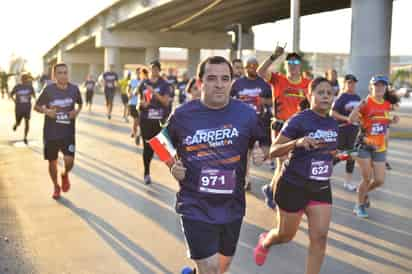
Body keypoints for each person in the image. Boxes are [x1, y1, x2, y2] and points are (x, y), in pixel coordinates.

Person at [167, 56, 269, 274]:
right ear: (199, 82)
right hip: (195, 204)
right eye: (212, 78)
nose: (219, 84)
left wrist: (261, 153)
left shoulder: (247, 115)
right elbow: (161, 143)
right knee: (211, 269)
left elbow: (263, 142)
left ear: (232, 81)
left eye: (225, 78)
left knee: (222, 267)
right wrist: (172, 165)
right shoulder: (183, 115)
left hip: (232, 205)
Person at [253, 77, 338, 274]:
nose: (326, 96)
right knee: (285, 236)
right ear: (310, 95)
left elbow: (327, 154)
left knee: (320, 238)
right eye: (321, 92)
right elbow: (273, 151)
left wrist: (337, 156)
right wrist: (297, 142)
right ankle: (265, 242)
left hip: (320, 187)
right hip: (293, 185)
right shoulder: (299, 119)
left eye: (329, 93)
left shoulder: (333, 123)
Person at [257, 46, 311, 209]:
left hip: (299, 129)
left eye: (296, 61)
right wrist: (274, 56)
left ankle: (270, 188)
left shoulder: (308, 84)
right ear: (286, 65)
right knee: (281, 163)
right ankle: (274, 195)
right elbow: (260, 72)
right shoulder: (278, 79)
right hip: (280, 127)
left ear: (300, 65)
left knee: (293, 164)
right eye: (289, 62)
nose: (293, 64)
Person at [349, 75, 400, 218]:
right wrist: (358, 106)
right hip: (364, 145)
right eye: (376, 85)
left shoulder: (387, 104)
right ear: (371, 87)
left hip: (380, 147)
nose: (379, 88)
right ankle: (358, 206)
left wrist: (394, 120)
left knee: (379, 180)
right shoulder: (366, 103)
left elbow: (384, 121)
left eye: (382, 86)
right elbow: (351, 119)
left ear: (385, 88)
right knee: (366, 178)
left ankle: (363, 194)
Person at [34, 63, 83, 199]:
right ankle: (56, 185)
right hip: (51, 133)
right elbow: (36, 106)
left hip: (68, 132)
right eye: (60, 73)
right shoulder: (48, 90)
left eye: (65, 72)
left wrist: (76, 111)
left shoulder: (74, 89)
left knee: (69, 161)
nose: (63, 75)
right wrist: (46, 111)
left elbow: (80, 103)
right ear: (54, 76)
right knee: (52, 161)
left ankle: (65, 174)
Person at [230, 56, 272, 191]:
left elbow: (272, 101)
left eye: (255, 65)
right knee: (245, 153)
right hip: (242, 123)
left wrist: (262, 101)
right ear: (245, 68)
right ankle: (245, 180)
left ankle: (250, 174)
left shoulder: (264, 83)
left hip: (261, 122)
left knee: (263, 155)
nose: (252, 68)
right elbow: (228, 100)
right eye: (250, 66)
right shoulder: (237, 84)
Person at [138, 60, 172, 184]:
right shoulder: (144, 83)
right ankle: (146, 172)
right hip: (146, 120)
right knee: (147, 148)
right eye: (152, 68)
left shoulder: (165, 84)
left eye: (156, 69)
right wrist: (142, 104)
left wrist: (154, 93)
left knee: (164, 149)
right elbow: (139, 101)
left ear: (159, 70)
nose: (154, 71)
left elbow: (165, 102)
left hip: (160, 121)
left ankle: (177, 176)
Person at [331, 74, 361, 192]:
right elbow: (332, 113)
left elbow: (360, 114)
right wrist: (346, 118)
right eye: (349, 82)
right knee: (340, 154)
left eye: (353, 82)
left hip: (353, 131)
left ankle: (348, 182)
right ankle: (324, 169)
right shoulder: (341, 98)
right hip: (342, 130)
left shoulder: (358, 98)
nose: (352, 85)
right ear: (344, 84)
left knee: (351, 155)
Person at [10, 73, 36, 144]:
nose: (25, 80)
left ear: (27, 79)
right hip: (19, 108)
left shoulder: (30, 87)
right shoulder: (17, 87)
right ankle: (16, 124)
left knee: (27, 122)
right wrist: (14, 100)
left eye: (26, 79)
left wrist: (36, 102)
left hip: (27, 107)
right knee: (19, 122)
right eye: (23, 79)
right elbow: (11, 94)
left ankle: (25, 137)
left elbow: (34, 96)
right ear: (21, 79)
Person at [128, 67, 145, 145]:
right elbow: (128, 90)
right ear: (136, 73)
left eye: (141, 73)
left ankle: (137, 134)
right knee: (136, 121)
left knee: (140, 122)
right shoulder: (132, 81)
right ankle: (136, 136)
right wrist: (129, 94)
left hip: (141, 104)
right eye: (138, 72)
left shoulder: (145, 82)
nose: (139, 74)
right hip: (133, 103)